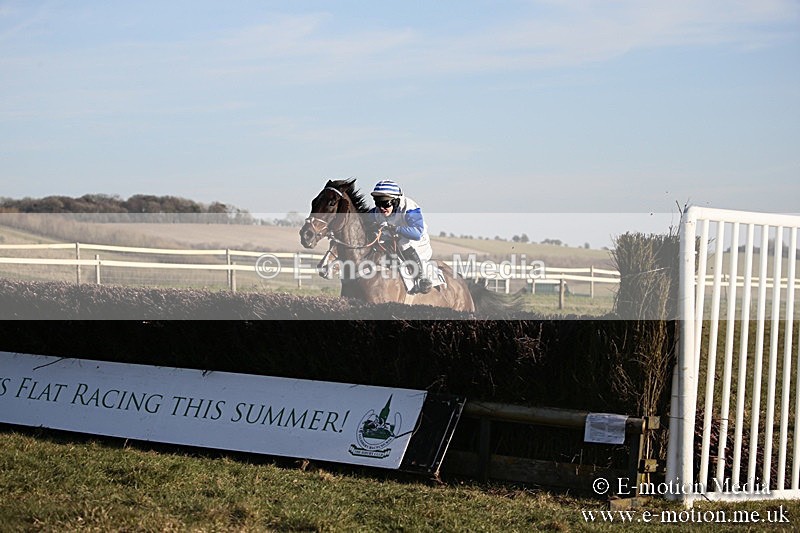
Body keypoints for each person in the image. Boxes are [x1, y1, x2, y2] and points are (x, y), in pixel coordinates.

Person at [368, 180, 434, 294]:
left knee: (403, 243)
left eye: (385, 203)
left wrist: (396, 229)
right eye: (377, 203)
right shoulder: (376, 212)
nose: (381, 207)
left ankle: (421, 278)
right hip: (392, 238)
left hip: (416, 242)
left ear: (396, 201)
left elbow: (417, 233)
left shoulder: (409, 208)